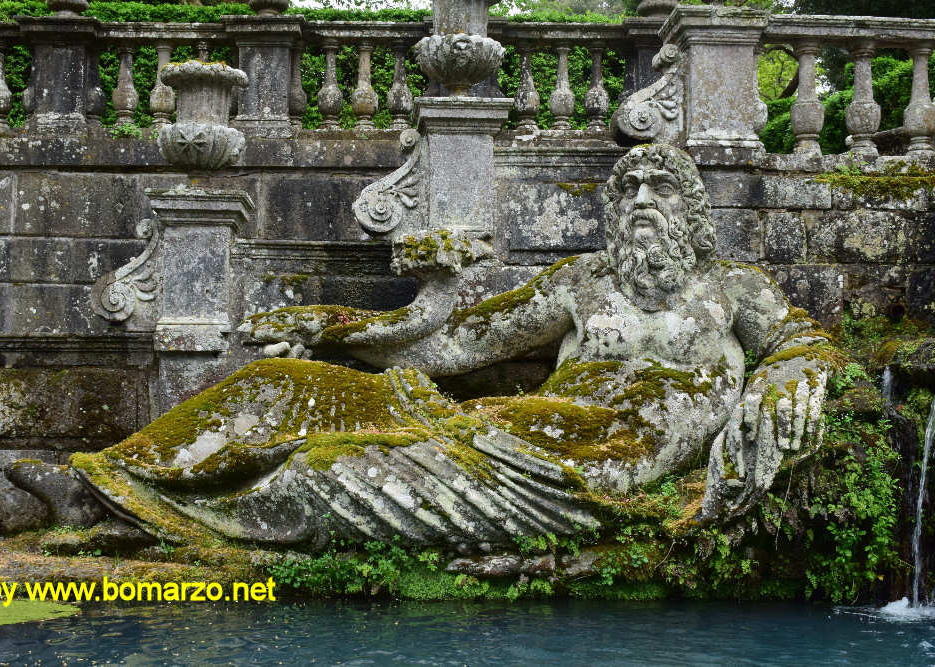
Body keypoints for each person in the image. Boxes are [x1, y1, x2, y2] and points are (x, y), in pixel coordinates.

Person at [72, 144, 828, 551]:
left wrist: (787, 379)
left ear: (691, 212)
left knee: (325, 471)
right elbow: (451, 345)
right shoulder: (581, 284)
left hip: (563, 468)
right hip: (507, 422)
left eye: (658, 190)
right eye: (625, 192)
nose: (638, 204)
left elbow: (804, 342)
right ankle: (106, 483)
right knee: (278, 380)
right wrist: (334, 326)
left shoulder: (734, 290)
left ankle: (169, 520)